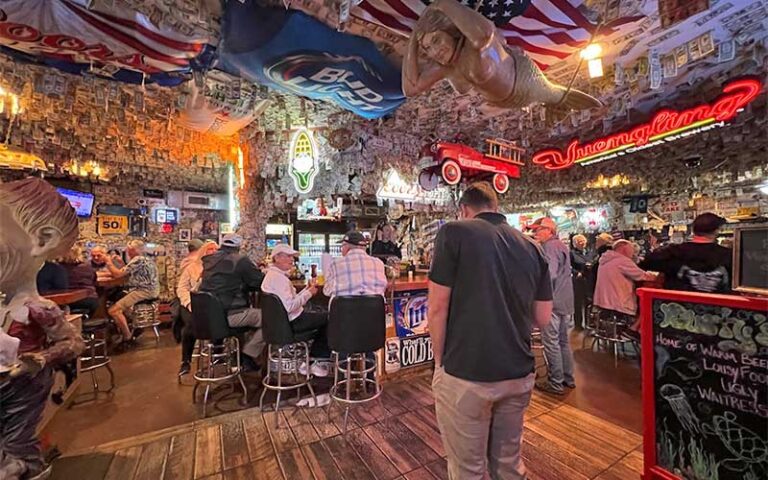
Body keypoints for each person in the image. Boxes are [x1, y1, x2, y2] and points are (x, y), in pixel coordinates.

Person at [428, 182, 553, 480]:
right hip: (519, 372)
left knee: (468, 470)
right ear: (497, 208)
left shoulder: (454, 232)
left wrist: (439, 363)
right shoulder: (532, 246)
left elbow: (436, 307)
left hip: (467, 371)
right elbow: (544, 317)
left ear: (464, 209)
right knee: (508, 465)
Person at [0, 178, 84, 480]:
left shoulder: (39, 309)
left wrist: (41, 359)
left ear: (43, 239)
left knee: (16, 448)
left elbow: (74, 343)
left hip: (23, 386)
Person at [402, 0, 600, 110]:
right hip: (508, 96)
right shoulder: (447, 66)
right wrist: (414, 38)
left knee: (553, 94)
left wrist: (442, 5)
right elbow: (410, 88)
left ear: (452, 32)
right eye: (427, 48)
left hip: (522, 80)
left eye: (436, 41)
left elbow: (484, 35)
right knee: (552, 95)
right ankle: (558, 100)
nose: (434, 52)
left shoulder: (476, 46)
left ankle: (560, 100)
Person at [261, 244, 329, 377]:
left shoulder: (273, 276)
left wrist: (306, 290)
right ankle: (316, 361)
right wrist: (309, 294)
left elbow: (289, 302)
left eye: (292, 257)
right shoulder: (279, 279)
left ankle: (311, 360)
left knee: (323, 316)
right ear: (277, 258)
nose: (292, 260)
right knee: (330, 317)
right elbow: (290, 307)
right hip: (292, 323)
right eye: (288, 256)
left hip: (280, 324)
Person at [199, 234, 264, 365]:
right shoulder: (240, 260)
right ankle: (247, 356)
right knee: (272, 319)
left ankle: (226, 353)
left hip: (207, 316)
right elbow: (259, 281)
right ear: (238, 246)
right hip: (229, 314)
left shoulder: (208, 260)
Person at [531, 217, 575, 396]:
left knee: (551, 343)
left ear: (549, 230)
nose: (535, 233)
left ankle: (556, 383)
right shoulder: (561, 246)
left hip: (552, 301)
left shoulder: (549, 247)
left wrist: (536, 291)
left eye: (538, 230)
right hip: (565, 300)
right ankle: (568, 378)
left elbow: (550, 275)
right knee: (563, 342)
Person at [639, 213, 732, 293]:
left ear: (693, 230)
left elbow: (645, 264)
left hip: (677, 308)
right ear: (716, 231)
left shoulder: (672, 252)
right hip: (718, 309)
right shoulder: (729, 255)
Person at [594, 240, 657, 339]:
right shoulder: (622, 260)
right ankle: (633, 331)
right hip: (618, 304)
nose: (633, 253)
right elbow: (641, 275)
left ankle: (632, 331)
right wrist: (656, 276)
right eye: (632, 250)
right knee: (649, 307)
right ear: (623, 248)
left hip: (603, 303)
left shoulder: (605, 259)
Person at [106, 240, 160, 345]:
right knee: (119, 296)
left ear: (135, 250)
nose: (127, 252)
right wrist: (121, 262)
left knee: (113, 311)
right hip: (149, 290)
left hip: (144, 291)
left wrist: (108, 261)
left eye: (129, 250)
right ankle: (133, 326)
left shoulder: (138, 259)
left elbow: (117, 274)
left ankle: (127, 337)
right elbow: (127, 270)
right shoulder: (145, 259)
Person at [176, 241, 218, 377]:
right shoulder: (192, 267)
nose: (213, 252)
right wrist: (189, 303)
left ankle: (218, 354)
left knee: (219, 321)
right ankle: (185, 361)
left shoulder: (221, 268)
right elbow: (182, 288)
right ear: (203, 252)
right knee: (190, 325)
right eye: (210, 249)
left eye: (216, 250)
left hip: (211, 305)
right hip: (191, 303)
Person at [323, 231, 388, 299]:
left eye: (342, 246)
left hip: (344, 308)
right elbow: (384, 288)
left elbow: (327, 291)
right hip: (375, 308)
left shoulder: (335, 264)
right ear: (364, 247)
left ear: (346, 247)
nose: (341, 250)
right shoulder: (378, 263)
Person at [59, 245, 99, 317]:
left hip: (67, 301)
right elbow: (94, 280)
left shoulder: (58, 268)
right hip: (89, 299)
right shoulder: (87, 266)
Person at [570, 234, 595, 330]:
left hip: (589, 279)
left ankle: (589, 323)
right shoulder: (572, 254)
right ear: (575, 243)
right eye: (579, 241)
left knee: (589, 301)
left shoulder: (589, 253)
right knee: (578, 302)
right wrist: (577, 273)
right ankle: (578, 324)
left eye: (582, 241)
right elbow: (569, 266)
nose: (581, 243)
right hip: (578, 280)